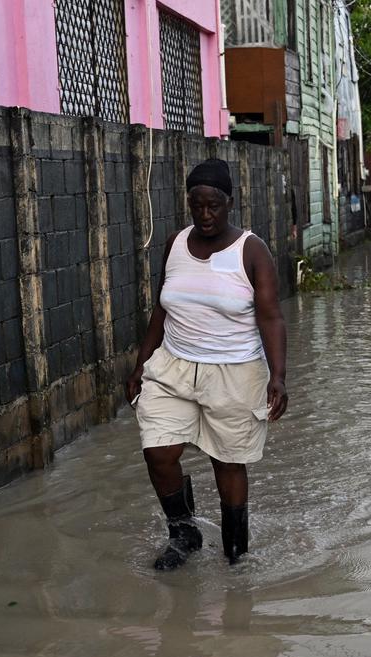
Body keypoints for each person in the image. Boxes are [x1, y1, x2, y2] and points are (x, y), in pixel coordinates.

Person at [125, 158, 288, 570]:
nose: (205, 214)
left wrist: (279, 377)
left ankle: (236, 551)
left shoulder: (250, 250)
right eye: (196, 206)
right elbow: (162, 312)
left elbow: (271, 316)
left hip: (234, 372)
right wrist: (140, 365)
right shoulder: (175, 245)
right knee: (159, 453)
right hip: (173, 368)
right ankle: (184, 534)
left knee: (227, 461)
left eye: (213, 205)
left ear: (229, 202)